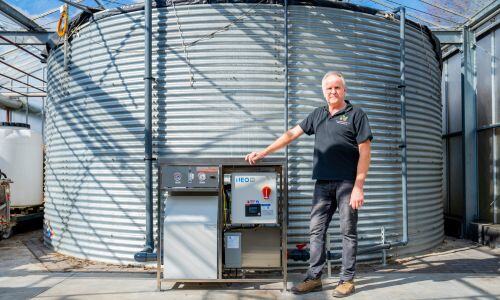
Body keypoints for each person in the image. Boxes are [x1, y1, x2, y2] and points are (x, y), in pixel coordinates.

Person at [245, 71, 372, 297]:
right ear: (323, 91)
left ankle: (347, 280)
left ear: (344, 90)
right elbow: (291, 134)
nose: (333, 92)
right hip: (322, 184)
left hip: (346, 184)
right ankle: (314, 278)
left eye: (337, 88)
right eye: (329, 88)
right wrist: (264, 151)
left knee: (348, 232)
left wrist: (358, 187)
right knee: (316, 231)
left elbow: (365, 152)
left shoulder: (356, 115)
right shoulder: (318, 114)